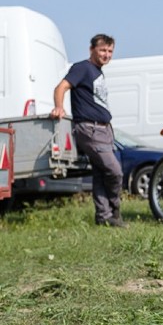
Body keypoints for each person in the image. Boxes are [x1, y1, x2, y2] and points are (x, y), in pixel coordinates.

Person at [50, 34, 126, 228]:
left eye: (110, 51)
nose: (106, 55)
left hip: (104, 129)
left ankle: (104, 216)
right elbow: (61, 87)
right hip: (90, 128)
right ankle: (115, 211)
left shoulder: (98, 71)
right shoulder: (82, 68)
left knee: (101, 174)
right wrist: (59, 107)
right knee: (115, 171)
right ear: (91, 49)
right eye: (102, 50)